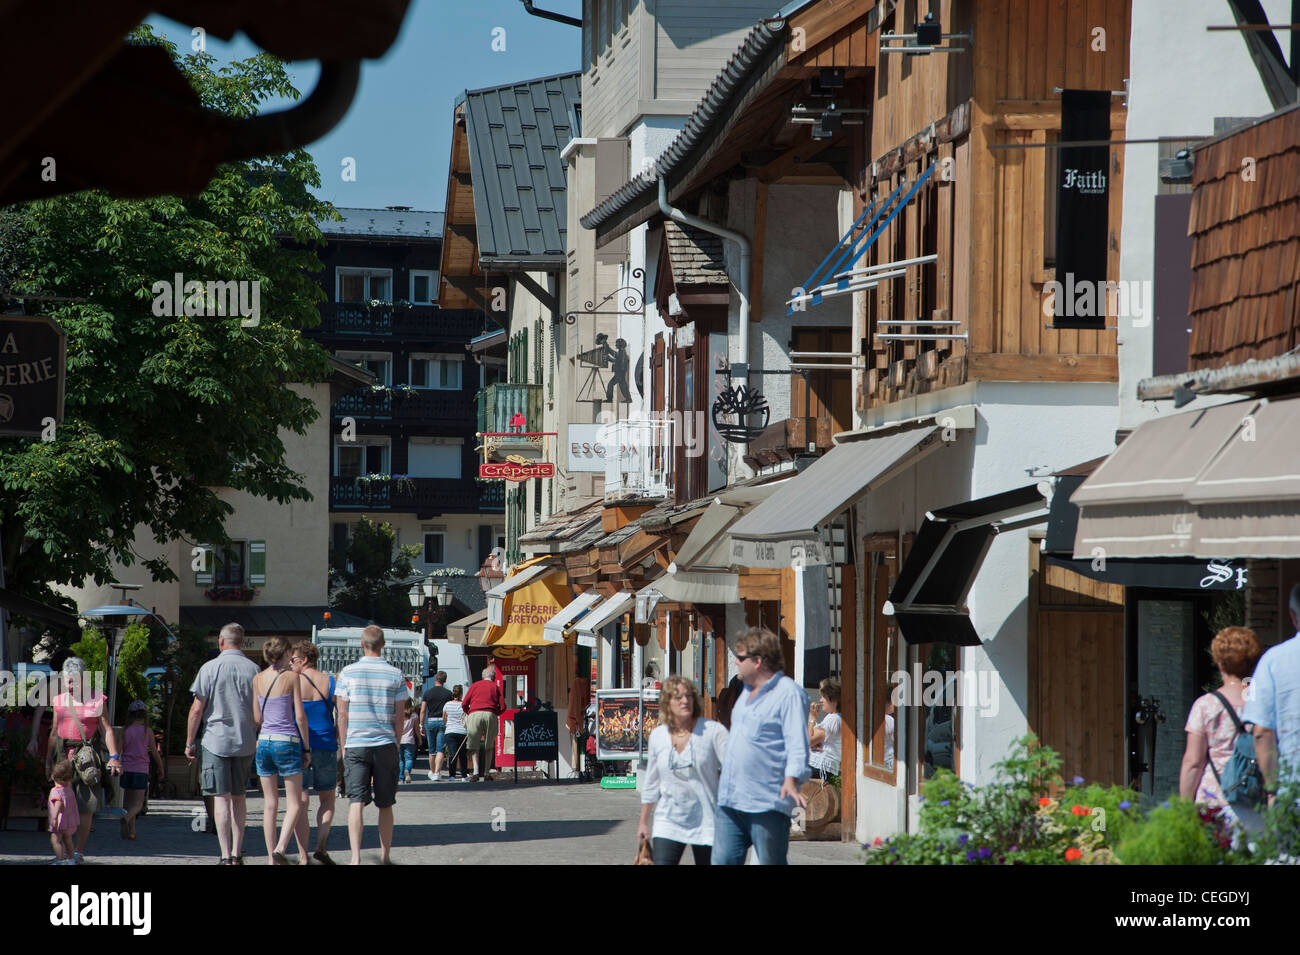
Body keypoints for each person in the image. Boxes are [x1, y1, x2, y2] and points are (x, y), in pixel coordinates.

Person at [713, 627, 810, 866]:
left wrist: (792, 779)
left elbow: (798, 742)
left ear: (758, 661)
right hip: (730, 799)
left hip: (765, 800)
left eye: (741, 657)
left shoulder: (789, 694)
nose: (736, 662)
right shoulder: (744, 693)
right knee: (723, 860)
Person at [186, 622, 261, 865]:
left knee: (221, 798)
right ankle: (238, 852)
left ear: (221, 641)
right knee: (239, 798)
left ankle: (225, 854)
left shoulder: (209, 668)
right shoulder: (254, 670)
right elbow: (259, 710)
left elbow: (197, 709)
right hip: (245, 741)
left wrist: (189, 742)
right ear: (242, 642)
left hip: (215, 740)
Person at [637, 676, 728, 865]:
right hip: (668, 821)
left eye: (688, 696)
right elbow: (652, 782)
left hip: (707, 821)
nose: (685, 701)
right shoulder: (658, 736)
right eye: (678, 697)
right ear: (667, 702)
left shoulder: (713, 731)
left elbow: (734, 769)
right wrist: (643, 821)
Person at [336, 625, 406, 865]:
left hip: (356, 743)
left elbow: (342, 713)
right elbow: (400, 716)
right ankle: (385, 856)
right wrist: (396, 743)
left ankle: (355, 858)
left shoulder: (347, 673)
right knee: (386, 803)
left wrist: (344, 745)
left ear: (361, 645)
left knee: (356, 800)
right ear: (383, 645)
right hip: (385, 742)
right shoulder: (395, 674)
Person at [45, 656, 121, 864]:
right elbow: (53, 732)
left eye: (75, 681)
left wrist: (114, 757)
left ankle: (77, 852)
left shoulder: (97, 700)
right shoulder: (59, 700)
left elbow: (107, 729)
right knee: (61, 804)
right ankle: (64, 853)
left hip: (87, 758)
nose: (71, 685)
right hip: (63, 757)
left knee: (86, 805)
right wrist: (47, 761)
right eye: (68, 681)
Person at [1178, 626, 1263, 806]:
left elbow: (1193, 762)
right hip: (1257, 799)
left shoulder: (1206, 705)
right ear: (1253, 662)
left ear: (1220, 663)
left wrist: (1184, 807)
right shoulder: (1266, 702)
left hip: (1215, 801)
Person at [252, 636, 310, 865]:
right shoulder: (292, 677)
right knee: (295, 802)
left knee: (270, 803)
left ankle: (270, 858)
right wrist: (306, 747)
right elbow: (299, 716)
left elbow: (257, 717)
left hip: (264, 741)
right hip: (287, 740)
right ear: (286, 653)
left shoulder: (257, 679)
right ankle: (281, 847)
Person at [1245, 584, 1300, 805]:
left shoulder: (1273, 661)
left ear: (1293, 616)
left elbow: (1261, 731)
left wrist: (1271, 789)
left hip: (1293, 793)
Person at [290, 640, 338, 864]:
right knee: (327, 798)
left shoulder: (290, 681)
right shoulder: (329, 681)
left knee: (300, 800)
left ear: (304, 660)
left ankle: (302, 855)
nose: (290, 664)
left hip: (299, 745)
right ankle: (321, 844)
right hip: (326, 743)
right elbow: (341, 711)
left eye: (294, 660)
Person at [120, 700, 164, 840]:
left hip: (126, 768)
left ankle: (131, 832)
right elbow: (154, 752)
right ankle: (126, 818)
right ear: (145, 716)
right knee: (138, 804)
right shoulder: (147, 731)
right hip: (141, 769)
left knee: (128, 802)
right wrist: (161, 767)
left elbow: (119, 750)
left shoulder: (124, 730)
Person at [462, 665, 504, 782]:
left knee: (474, 745)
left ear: (482, 676)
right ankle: (486, 773)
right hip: (490, 714)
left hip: (474, 714)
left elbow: (464, 703)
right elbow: (503, 706)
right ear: (494, 677)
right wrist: (496, 713)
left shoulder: (475, 685)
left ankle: (475, 772)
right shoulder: (495, 687)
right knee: (489, 745)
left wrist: (469, 713)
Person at [420, 671, 453, 781]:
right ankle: (437, 773)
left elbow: (423, 710)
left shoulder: (428, 693)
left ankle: (433, 771)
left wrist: (421, 724)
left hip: (431, 721)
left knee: (432, 750)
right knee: (440, 749)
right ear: (445, 681)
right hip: (443, 721)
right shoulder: (448, 694)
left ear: (435, 679)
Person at [808, 678, 842, 777]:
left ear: (834, 700)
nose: (821, 700)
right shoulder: (834, 717)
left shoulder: (833, 719)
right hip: (821, 767)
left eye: (824, 697)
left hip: (819, 767)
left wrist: (813, 718)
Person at [48, 759, 78, 865]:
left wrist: (55, 818)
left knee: (55, 839)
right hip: (70, 821)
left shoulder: (55, 791)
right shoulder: (69, 790)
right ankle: (72, 859)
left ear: (53, 776)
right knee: (68, 840)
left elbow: (58, 804)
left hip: (60, 821)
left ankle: (60, 859)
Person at [441, 686, 470, 780]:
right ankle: (464, 775)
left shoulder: (447, 704)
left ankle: (452, 775)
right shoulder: (464, 705)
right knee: (462, 754)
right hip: (462, 731)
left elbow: (444, 718)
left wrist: (448, 725)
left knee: (452, 753)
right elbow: (468, 717)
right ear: (461, 694)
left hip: (450, 731)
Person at [399, 700, 418, 784]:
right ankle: (407, 770)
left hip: (400, 740)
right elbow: (417, 730)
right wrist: (420, 739)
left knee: (401, 760)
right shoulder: (414, 716)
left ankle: (401, 778)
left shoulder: (399, 715)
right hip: (410, 740)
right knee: (409, 758)